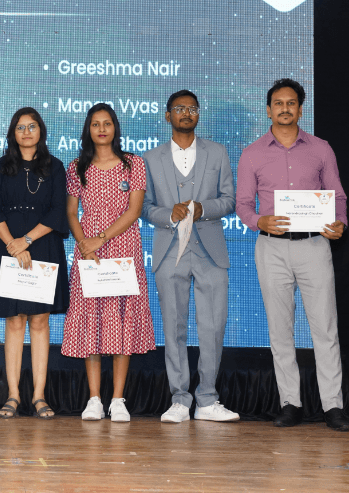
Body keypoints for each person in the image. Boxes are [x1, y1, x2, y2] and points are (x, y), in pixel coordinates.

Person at [236, 78, 349, 431]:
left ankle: (333, 406)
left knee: (325, 329)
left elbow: (338, 196)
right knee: (280, 330)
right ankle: (291, 403)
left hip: (315, 245)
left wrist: (340, 222)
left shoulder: (321, 149)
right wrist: (258, 220)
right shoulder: (252, 153)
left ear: (301, 109)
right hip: (271, 247)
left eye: (291, 103)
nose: (284, 108)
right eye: (278, 103)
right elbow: (243, 204)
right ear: (268, 110)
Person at [141, 90, 240, 423]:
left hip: (211, 250)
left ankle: (208, 399)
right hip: (170, 251)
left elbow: (229, 200)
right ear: (167, 115)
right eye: (179, 108)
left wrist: (202, 208)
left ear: (199, 114)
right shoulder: (150, 158)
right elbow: (144, 207)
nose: (186, 113)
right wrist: (168, 214)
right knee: (174, 327)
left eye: (192, 108)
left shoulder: (218, 152)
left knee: (213, 326)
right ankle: (180, 400)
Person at [63, 103, 155, 422]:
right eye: (95, 124)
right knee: (92, 320)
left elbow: (134, 211)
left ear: (115, 127)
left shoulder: (133, 164)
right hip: (88, 251)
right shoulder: (76, 167)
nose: (102, 129)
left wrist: (100, 239)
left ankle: (117, 399)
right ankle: (94, 399)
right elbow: (71, 213)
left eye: (107, 123)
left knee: (121, 321)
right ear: (88, 130)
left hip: (123, 247)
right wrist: (84, 245)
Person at [0, 107, 69, 419]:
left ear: (41, 131)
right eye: (20, 127)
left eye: (32, 126)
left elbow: (58, 211)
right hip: (8, 248)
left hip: (43, 246)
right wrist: (14, 245)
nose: (27, 132)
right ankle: (13, 395)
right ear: (12, 133)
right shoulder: (1, 166)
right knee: (15, 321)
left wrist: (27, 241)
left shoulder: (55, 167)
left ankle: (39, 395)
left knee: (40, 320)